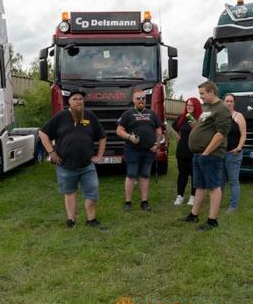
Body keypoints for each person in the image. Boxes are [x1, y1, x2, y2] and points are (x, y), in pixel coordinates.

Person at [38, 89, 107, 229]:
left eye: (81, 99)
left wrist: (99, 156)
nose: (78, 101)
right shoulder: (60, 117)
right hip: (65, 166)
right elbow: (42, 133)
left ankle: (91, 220)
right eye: (75, 99)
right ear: (69, 101)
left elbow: (102, 137)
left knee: (92, 194)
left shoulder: (90, 116)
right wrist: (51, 152)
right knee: (70, 193)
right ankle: (71, 221)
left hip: (87, 166)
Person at [182, 81, 231, 231]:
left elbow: (221, 133)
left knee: (214, 186)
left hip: (211, 155)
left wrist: (206, 152)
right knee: (200, 186)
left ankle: (212, 220)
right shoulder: (208, 108)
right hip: (200, 155)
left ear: (211, 92)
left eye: (202, 93)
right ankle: (193, 215)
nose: (201, 97)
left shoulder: (222, 108)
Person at [116, 90, 163, 211]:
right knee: (131, 175)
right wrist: (130, 137)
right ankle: (128, 202)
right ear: (133, 100)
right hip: (132, 150)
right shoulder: (128, 114)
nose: (141, 100)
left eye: (143, 98)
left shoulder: (152, 114)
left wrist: (157, 144)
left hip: (149, 151)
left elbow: (159, 132)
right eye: (138, 98)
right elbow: (119, 130)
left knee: (145, 176)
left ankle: (144, 202)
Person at [171, 97, 202, 206]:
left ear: (196, 106)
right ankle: (180, 196)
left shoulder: (199, 119)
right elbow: (173, 127)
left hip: (194, 151)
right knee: (182, 173)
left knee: (194, 174)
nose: (189, 107)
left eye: (191, 105)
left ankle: (193, 197)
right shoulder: (182, 117)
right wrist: (178, 137)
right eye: (187, 105)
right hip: (182, 150)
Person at [221, 93, 247, 213]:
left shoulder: (238, 116)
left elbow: (243, 135)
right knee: (220, 180)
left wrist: (238, 148)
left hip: (233, 154)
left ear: (234, 103)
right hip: (221, 153)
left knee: (233, 181)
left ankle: (233, 206)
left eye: (231, 101)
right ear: (223, 102)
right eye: (227, 101)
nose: (229, 103)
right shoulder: (221, 116)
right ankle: (218, 201)